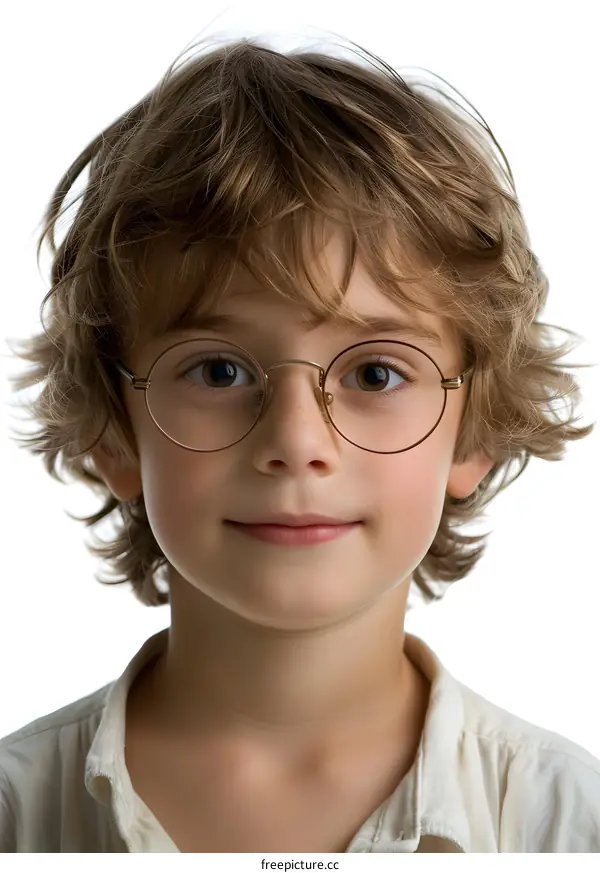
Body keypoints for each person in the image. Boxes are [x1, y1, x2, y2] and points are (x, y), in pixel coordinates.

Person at [1, 36, 598, 854]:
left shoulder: (565, 826)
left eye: (378, 373)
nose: (296, 442)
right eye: (217, 369)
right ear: (113, 431)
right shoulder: (17, 815)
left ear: (476, 429)